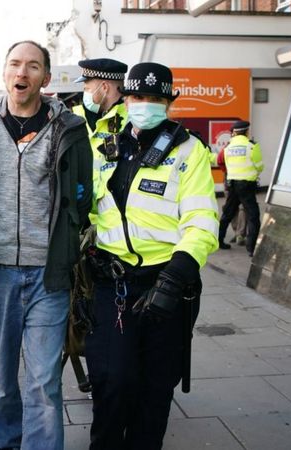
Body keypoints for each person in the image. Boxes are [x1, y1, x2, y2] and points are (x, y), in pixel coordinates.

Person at [0, 40, 93, 450]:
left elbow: (84, 194)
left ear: (45, 78)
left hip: (49, 274)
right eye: (14, 64)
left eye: (32, 66)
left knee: (44, 383)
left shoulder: (70, 128)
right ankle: (9, 444)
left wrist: (67, 231)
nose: (22, 73)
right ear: (4, 73)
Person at [85, 62, 218, 450]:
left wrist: (175, 278)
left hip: (167, 283)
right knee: (112, 381)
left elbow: (201, 218)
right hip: (113, 283)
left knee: (155, 388)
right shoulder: (102, 146)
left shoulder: (188, 150)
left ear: (168, 102)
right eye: (138, 97)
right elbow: (88, 207)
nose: (145, 105)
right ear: (125, 100)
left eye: (156, 98)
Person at [72, 58, 128, 208]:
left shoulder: (132, 122)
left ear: (104, 87)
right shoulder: (78, 118)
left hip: (115, 221)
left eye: (87, 88)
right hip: (87, 217)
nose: (84, 93)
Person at [217, 120, 263, 256]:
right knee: (253, 216)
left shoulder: (227, 148)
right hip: (247, 186)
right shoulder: (252, 147)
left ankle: (219, 240)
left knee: (227, 214)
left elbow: (221, 162)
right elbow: (260, 166)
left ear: (234, 133)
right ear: (247, 132)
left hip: (232, 185)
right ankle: (251, 248)